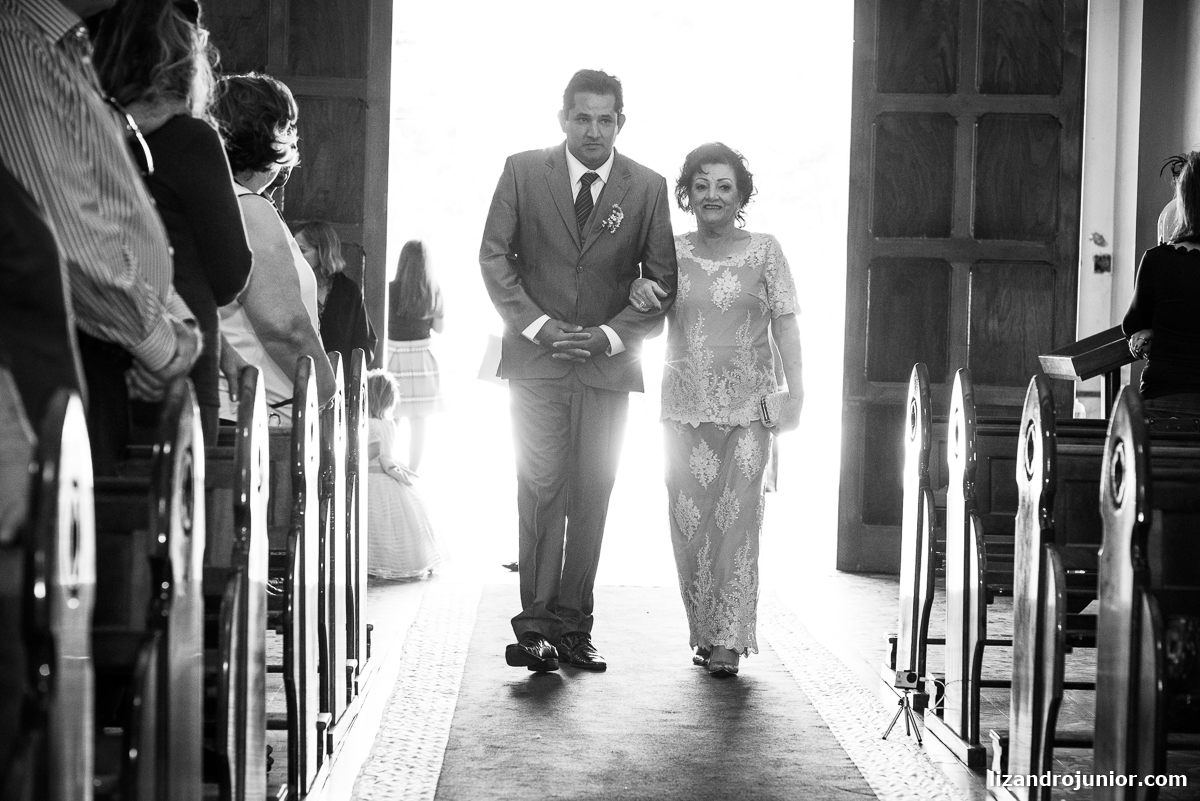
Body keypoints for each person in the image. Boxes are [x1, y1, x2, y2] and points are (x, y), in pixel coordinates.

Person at [479, 68, 677, 673]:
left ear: (622, 122)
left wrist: (608, 335)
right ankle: (533, 628)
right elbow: (493, 257)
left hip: (607, 368)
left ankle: (573, 628)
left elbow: (663, 282)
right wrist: (539, 327)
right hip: (536, 363)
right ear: (563, 118)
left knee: (592, 491)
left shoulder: (646, 187)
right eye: (582, 117)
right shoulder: (521, 170)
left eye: (606, 119)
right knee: (539, 487)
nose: (594, 130)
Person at [0, 0, 203, 473]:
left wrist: (176, 328)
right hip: (60, 343)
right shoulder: (18, 41)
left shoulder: (65, 46)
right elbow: (74, 241)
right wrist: (161, 344)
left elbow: (116, 215)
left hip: (104, 344)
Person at [630, 142, 804, 677]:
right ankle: (704, 632)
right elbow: (647, 310)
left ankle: (729, 638)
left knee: (737, 522)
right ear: (686, 194)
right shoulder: (670, 251)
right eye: (701, 185)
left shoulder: (766, 251)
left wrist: (795, 394)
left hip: (750, 409)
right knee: (690, 525)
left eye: (724, 186)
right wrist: (637, 286)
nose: (712, 195)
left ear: (740, 195)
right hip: (682, 409)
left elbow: (787, 325)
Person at [91, 0, 253, 443]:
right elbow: (229, 274)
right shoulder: (191, 140)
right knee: (175, 505)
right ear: (185, 61)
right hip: (179, 364)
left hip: (102, 357)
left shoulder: (88, 130)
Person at [211, 72, 335, 422]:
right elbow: (285, 328)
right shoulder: (249, 207)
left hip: (239, 405)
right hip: (260, 411)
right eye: (287, 127)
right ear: (270, 135)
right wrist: (327, 393)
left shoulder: (218, 199)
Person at [1123, 149, 1200, 419]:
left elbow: (1132, 325)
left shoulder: (1158, 260)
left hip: (1165, 392)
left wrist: (1151, 332)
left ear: (1183, 202)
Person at [364, 369, 444, 580]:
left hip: (373, 476)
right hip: (389, 476)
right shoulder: (389, 423)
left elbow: (372, 453)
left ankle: (373, 563)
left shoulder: (369, 425)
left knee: (375, 524)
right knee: (397, 525)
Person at [386, 239, 444, 472]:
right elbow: (439, 329)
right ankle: (413, 469)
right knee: (419, 420)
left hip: (394, 355)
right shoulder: (433, 290)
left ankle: (388, 462)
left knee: (392, 415)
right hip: (421, 358)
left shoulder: (389, 289)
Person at [295, 220, 377, 364]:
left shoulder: (348, 291)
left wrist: (347, 376)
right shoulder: (292, 287)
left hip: (339, 380)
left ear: (323, 252)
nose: (295, 256)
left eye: (302, 250)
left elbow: (364, 343)